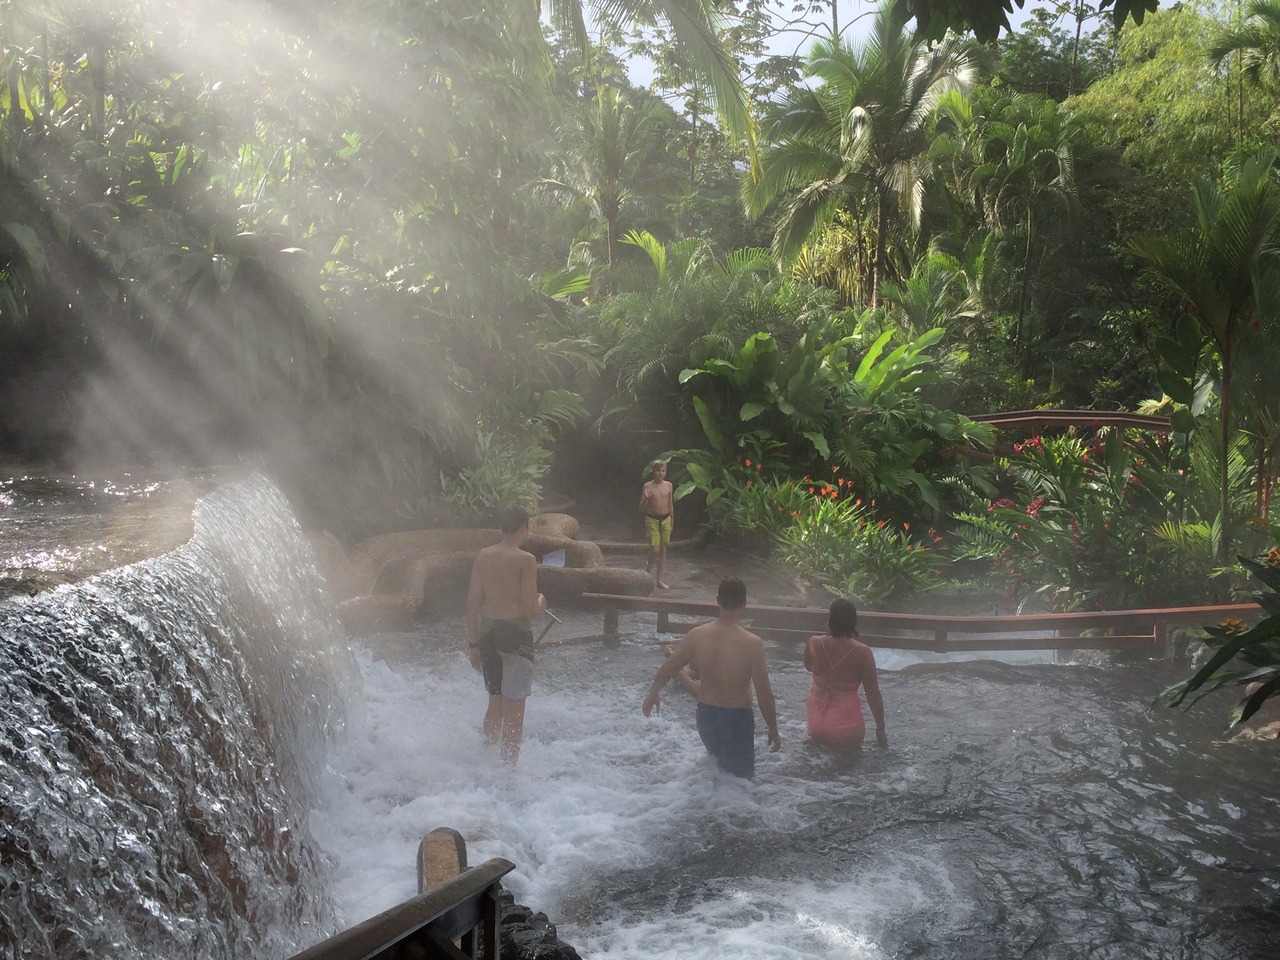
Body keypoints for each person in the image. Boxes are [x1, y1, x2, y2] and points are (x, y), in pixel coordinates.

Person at [642, 577, 781, 778]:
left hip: (706, 715)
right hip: (736, 717)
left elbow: (668, 668)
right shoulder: (752, 644)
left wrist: (653, 693)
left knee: (716, 771)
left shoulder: (697, 635)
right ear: (744, 603)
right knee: (738, 781)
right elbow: (764, 693)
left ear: (717, 600)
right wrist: (774, 730)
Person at [465, 504, 546, 765]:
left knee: (496, 702)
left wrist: (473, 645)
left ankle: (485, 758)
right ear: (524, 526)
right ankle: (509, 773)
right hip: (515, 634)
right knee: (515, 710)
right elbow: (531, 609)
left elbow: (470, 606)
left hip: (488, 632)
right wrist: (542, 601)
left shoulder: (483, 555)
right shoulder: (526, 559)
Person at [804, 598, 887, 752]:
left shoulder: (814, 642)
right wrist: (880, 728)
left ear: (831, 620)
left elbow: (809, 667)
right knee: (848, 771)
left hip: (816, 717)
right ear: (853, 621)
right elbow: (873, 694)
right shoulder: (862, 652)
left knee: (817, 763)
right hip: (844, 723)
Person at [638, 459, 674, 589]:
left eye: (663, 471)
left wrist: (672, 521)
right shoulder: (648, 486)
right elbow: (641, 509)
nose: (661, 473)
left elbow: (670, 505)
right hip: (652, 519)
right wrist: (646, 498)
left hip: (665, 519)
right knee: (655, 549)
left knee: (663, 550)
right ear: (654, 471)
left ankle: (659, 580)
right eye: (658, 470)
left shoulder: (669, 485)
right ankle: (648, 568)